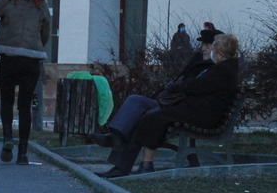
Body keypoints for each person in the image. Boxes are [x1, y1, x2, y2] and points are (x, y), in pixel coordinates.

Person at [95, 30, 242, 177]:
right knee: (136, 102)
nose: (204, 49)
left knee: (149, 116)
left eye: (210, 47)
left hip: (194, 111)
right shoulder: (216, 67)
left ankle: (126, 165)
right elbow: (192, 85)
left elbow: (194, 87)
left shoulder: (222, 71)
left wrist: (174, 87)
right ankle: (117, 137)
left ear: (219, 53)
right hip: (184, 106)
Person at [0, 0, 51, 165]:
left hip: (9, 56)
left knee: (6, 100)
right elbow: (46, 32)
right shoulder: (41, 3)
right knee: (24, 105)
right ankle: (23, 153)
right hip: (31, 59)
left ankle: (7, 137)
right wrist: (35, 44)